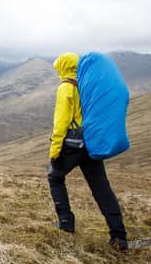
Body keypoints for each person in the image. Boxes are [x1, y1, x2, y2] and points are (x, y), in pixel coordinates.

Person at [47, 52, 128, 251]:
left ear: (62, 67)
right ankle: (119, 236)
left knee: (55, 177)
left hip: (72, 146)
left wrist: (55, 149)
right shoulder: (88, 85)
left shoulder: (66, 87)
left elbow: (61, 122)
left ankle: (66, 223)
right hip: (91, 144)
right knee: (102, 189)